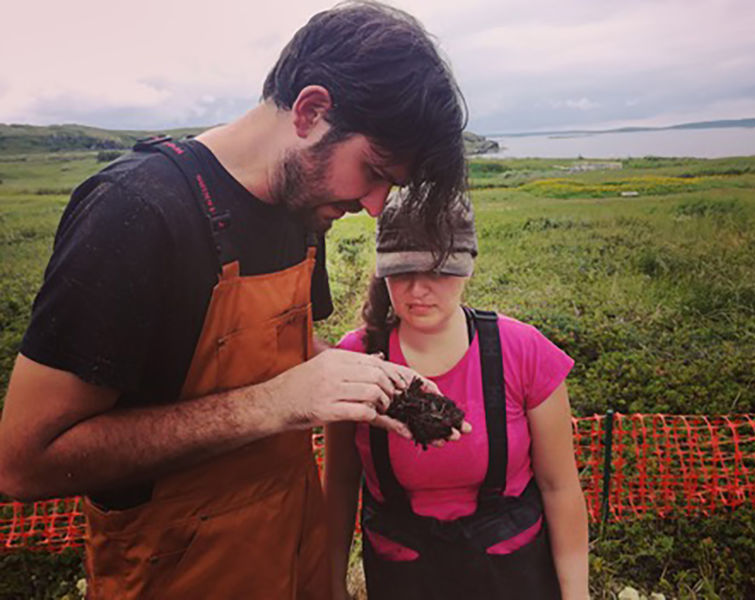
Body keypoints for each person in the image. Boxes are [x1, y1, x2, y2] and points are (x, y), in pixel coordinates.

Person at [0, 3, 470, 598]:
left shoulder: (304, 210)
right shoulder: (135, 212)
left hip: (292, 550)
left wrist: (374, 382)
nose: (375, 205)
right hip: (177, 573)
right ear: (311, 111)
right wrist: (273, 404)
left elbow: (286, 349)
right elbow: (25, 461)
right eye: (373, 171)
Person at [325, 192, 589, 600]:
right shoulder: (355, 358)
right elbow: (340, 484)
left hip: (512, 572)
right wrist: (327, 585)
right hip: (404, 577)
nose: (418, 289)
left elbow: (560, 487)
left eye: (438, 272)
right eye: (402, 272)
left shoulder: (524, 352)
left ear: (468, 266)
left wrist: (576, 596)